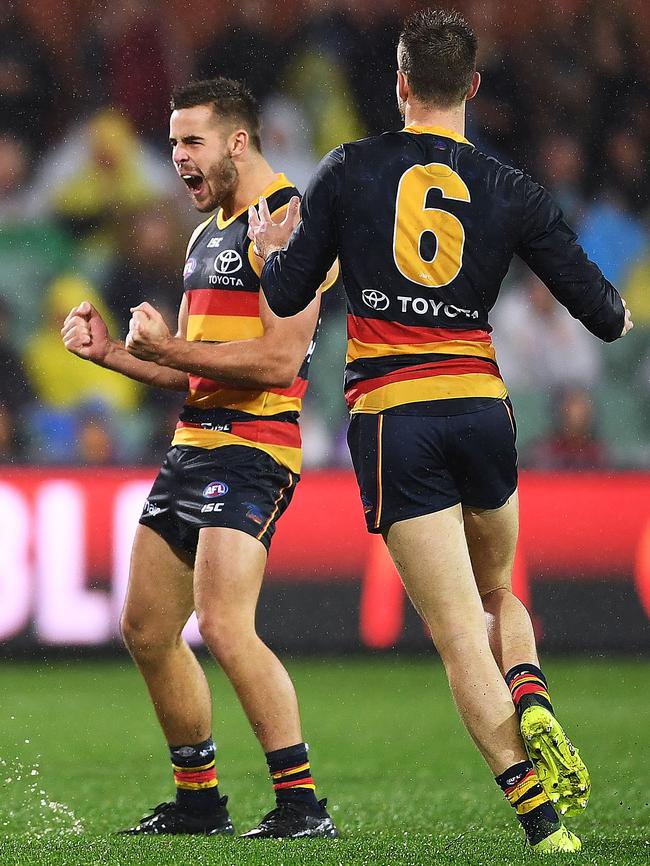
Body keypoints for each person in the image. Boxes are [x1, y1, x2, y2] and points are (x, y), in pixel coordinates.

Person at [248, 9, 634, 854]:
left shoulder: (349, 170)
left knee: (459, 631)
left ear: (398, 84)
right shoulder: (512, 187)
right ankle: (528, 686)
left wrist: (266, 248)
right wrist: (619, 308)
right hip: (479, 410)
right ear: (474, 88)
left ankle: (542, 822)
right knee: (499, 596)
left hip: (395, 417)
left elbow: (285, 298)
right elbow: (602, 315)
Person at [61, 77, 338, 840]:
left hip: (254, 447)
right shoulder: (206, 231)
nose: (177, 157)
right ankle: (199, 800)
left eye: (193, 142)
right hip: (195, 442)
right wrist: (114, 353)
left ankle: (302, 805)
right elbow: (195, 368)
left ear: (238, 142)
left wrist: (169, 344)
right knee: (147, 628)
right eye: (174, 142)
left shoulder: (285, 220)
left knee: (222, 623)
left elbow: (280, 362)